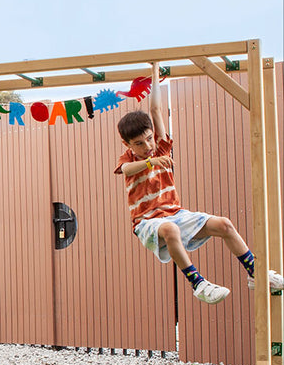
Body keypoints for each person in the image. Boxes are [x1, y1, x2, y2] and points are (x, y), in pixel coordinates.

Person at [114, 63, 283, 304]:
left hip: (176, 214)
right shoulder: (130, 159)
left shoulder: (160, 146)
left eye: (149, 139)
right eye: (139, 143)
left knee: (224, 224)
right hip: (147, 222)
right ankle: (198, 283)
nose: (147, 146)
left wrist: (154, 70)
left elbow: (155, 110)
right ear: (127, 144)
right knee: (170, 230)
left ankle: (255, 272)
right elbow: (126, 170)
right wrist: (151, 163)